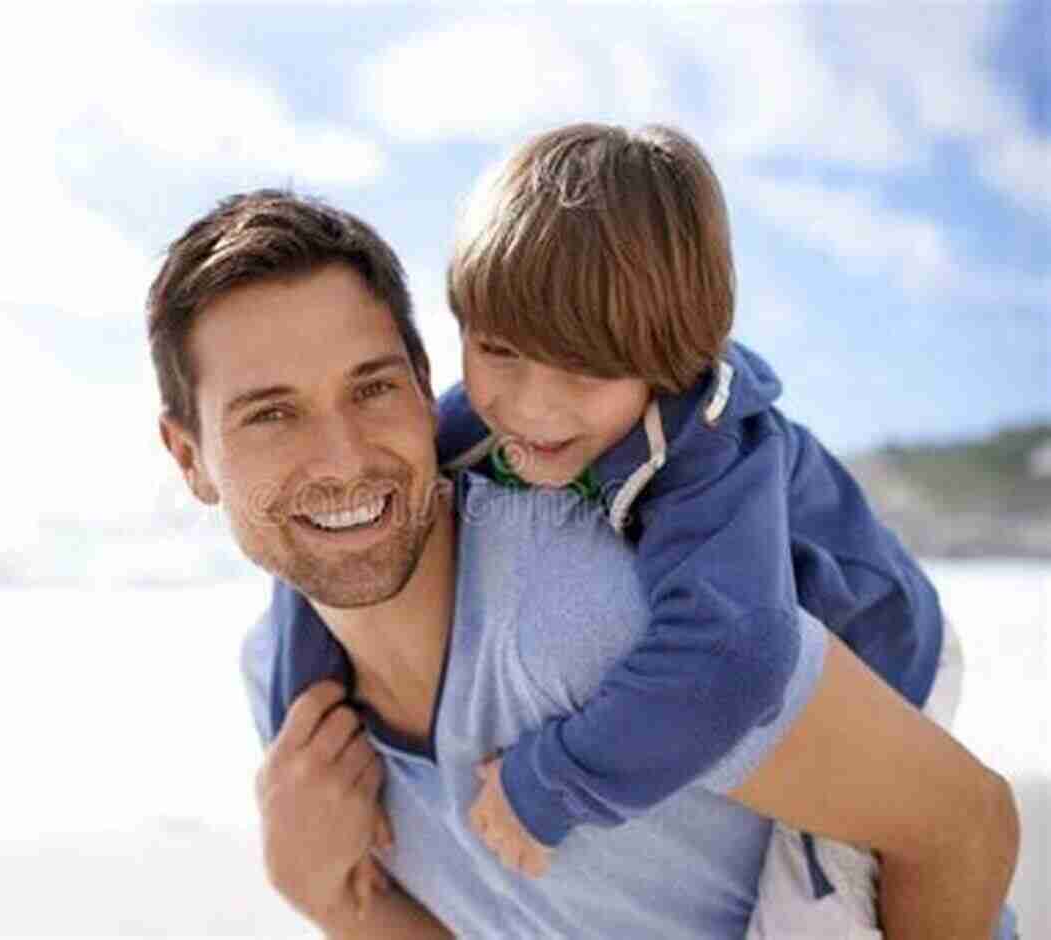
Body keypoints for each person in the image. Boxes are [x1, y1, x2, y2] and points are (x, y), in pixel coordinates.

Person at [148, 189, 1019, 938]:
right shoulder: (286, 687)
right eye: (271, 415)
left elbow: (964, 826)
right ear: (188, 457)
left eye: (373, 387)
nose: (340, 458)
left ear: (423, 385)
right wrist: (326, 897)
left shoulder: (594, 615)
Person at [431, 122, 966, 930]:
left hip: (883, 653)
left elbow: (734, 654)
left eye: (583, 367)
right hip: (759, 637)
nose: (529, 404)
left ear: (669, 359)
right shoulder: (482, 414)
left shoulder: (708, 450)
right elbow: (384, 496)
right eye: (497, 348)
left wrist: (548, 784)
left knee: (813, 912)